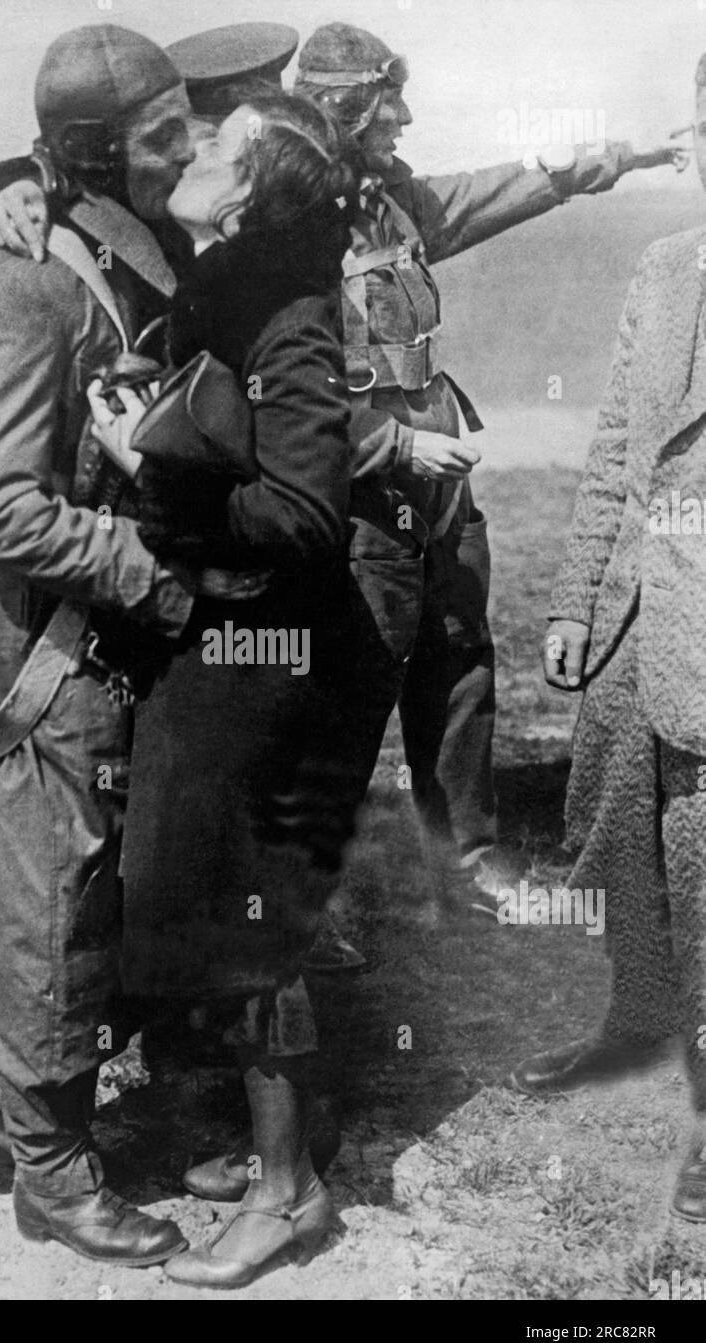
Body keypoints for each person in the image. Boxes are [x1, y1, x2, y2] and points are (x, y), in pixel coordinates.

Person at [0, 22, 262, 1264]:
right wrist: (160, 581)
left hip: (106, 623)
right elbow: (5, 508)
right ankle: (51, 1179)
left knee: (96, 888)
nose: (189, 148)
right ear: (93, 154)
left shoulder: (138, 252)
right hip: (44, 640)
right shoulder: (19, 286)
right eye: (161, 134)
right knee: (54, 901)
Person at [293, 22, 688, 938]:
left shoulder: (389, 203)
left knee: (460, 660)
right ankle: (308, 904)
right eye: (387, 102)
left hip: (438, 485)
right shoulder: (285, 228)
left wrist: (622, 156)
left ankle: (468, 864)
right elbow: (280, 390)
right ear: (346, 109)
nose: (405, 118)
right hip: (360, 496)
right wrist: (384, 447)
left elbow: (504, 188)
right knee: (353, 686)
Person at [86, 90, 362, 1288]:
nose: (193, 145)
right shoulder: (217, 280)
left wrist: (148, 464)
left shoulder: (287, 315)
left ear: (247, 191)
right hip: (222, 638)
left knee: (256, 919)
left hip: (269, 650)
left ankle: (288, 1190)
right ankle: (268, 1153)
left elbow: (305, 516)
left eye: (218, 143)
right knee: (206, 897)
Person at [508, 56, 706, 1226]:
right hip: (640, 614)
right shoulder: (663, 263)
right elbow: (614, 452)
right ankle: (634, 1021)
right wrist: (577, 600)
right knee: (614, 832)